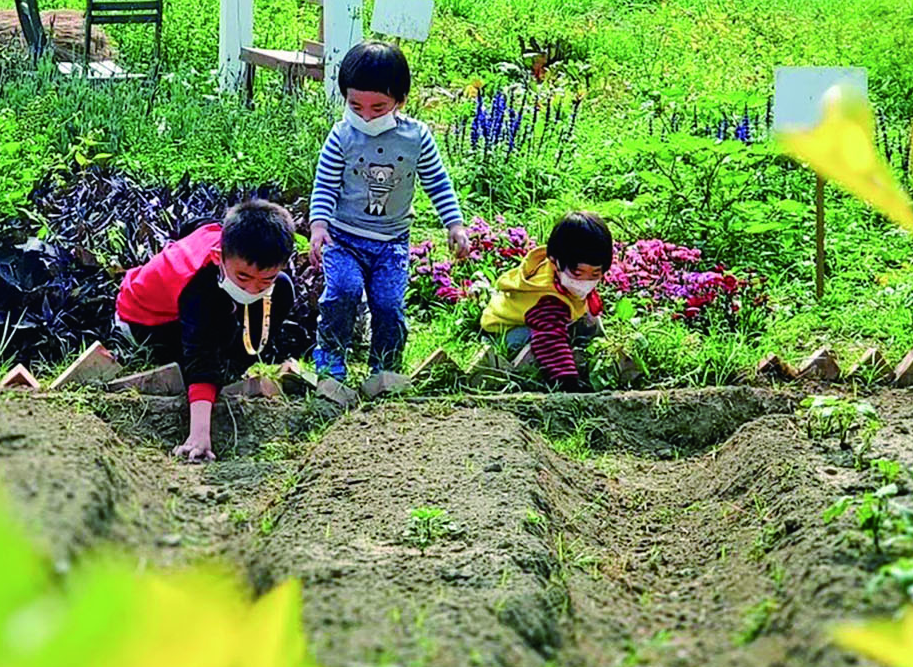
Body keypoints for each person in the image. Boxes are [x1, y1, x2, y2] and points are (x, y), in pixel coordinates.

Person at [309, 41, 469, 380]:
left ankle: (386, 367)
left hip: (392, 241)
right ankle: (329, 357)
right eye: (356, 106)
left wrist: (454, 224)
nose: (366, 116)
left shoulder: (417, 138)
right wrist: (319, 226)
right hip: (344, 237)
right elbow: (324, 185)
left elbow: (437, 182)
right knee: (343, 292)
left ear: (400, 101)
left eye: (378, 107)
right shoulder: (341, 136)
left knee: (388, 304)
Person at [114, 198, 306, 462]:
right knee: (214, 334)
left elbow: (192, 228)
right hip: (142, 320)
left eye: (265, 280)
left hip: (200, 295)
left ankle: (232, 370)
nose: (253, 289)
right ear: (218, 257)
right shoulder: (199, 287)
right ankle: (211, 392)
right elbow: (200, 351)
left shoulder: (229, 242)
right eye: (243, 278)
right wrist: (199, 435)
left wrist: (261, 285)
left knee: (282, 290)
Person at [479, 211, 614, 392]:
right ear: (555, 262)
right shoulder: (548, 299)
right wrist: (568, 383)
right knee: (550, 341)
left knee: (588, 321)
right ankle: (534, 374)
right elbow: (551, 340)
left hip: (534, 319)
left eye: (595, 274)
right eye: (577, 274)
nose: (585, 281)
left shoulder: (562, 273)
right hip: (507, 332)